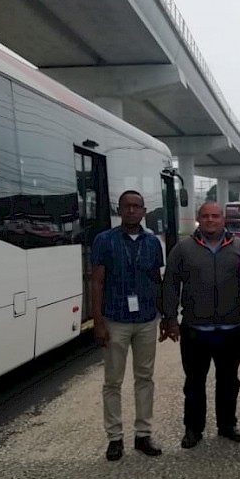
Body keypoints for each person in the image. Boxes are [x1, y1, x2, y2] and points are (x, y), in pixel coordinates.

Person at [161, 202, 240, 449]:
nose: (210, 220)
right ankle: (193, 428)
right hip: (194, 329)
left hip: (232, 328)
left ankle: (227, 424)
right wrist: (170, 319)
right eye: (206, 216)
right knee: (194, 381)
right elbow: (170, 284)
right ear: (199, 219)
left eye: (215, 216)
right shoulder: (183, 248)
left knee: (229, 380)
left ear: (223, 219)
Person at [91, 190, 164, 462]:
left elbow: (157, 280)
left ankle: (143, 434)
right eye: (127, 207)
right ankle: (114, 438)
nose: (132, 211)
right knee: (113, 381)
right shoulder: (104, 241)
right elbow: (97, 282)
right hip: (115, 319)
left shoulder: (153, 243)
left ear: (144, 211)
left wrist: (165, 316)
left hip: (146, 319)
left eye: (136, 206)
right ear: (119, 210)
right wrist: (98, 322)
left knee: (145, 378)